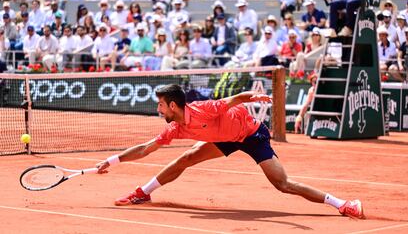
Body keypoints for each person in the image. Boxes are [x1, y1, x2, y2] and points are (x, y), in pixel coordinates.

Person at [95, 84, 364, 219]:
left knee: (283, 184)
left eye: (161, 106)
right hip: (223, 138)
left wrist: (255, 97)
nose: (158, 110)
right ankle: (143, 192)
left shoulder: (205, 108)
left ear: (174, 106)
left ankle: (342, 204)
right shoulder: (175, 128)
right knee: (185, 158)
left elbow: (235, 99)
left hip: (251, 135)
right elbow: (145, 149)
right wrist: (111, 160)